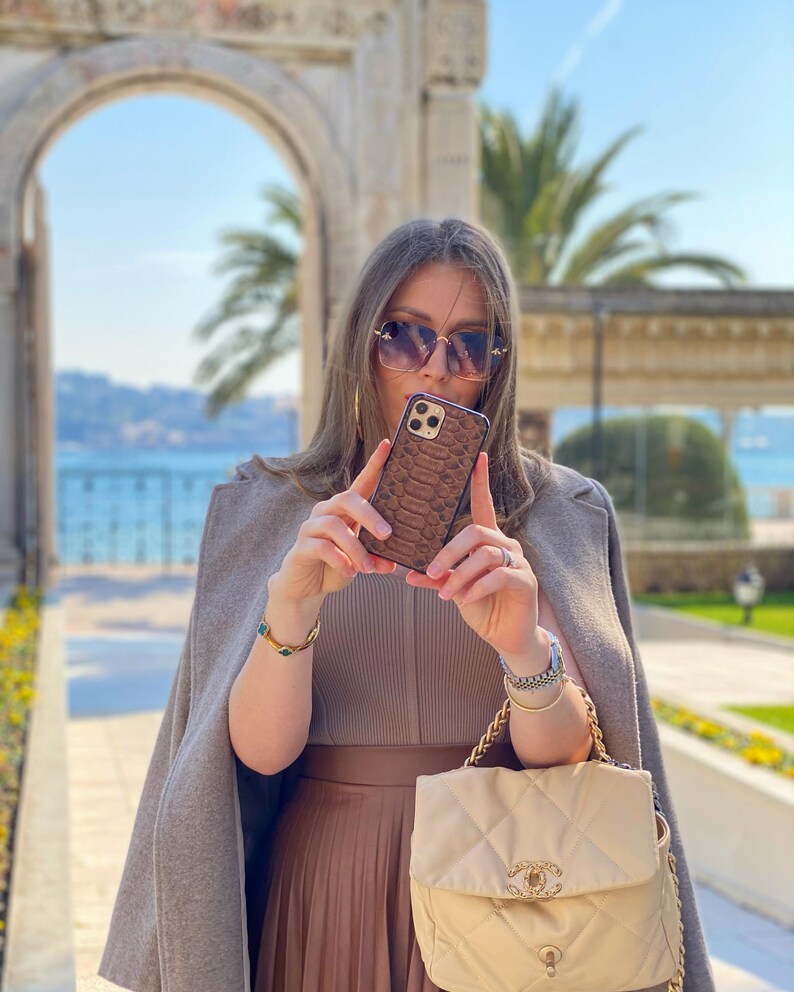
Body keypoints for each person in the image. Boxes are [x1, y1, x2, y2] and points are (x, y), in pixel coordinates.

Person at [99, 218, 715, 992]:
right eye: (406, 335)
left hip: (516, 898)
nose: (437, 368)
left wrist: (522, 648)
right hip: (328, 892)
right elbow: (258, 755)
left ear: (498, 363)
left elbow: (572, 758)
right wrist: (291, 608)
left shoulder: (559, 514)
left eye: (470, 344)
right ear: (362, 343)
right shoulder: (268, 510)